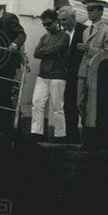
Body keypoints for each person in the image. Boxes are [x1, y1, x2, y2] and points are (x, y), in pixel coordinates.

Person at [0, 0, 27, 131]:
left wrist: (14, 44)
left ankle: (4, 126)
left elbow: (21, 34)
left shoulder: (9, 17)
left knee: (3, 94)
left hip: (6, 63)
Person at [76, 0, 108, 136]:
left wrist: (89, 48)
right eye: (88, 9)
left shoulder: (107, 31)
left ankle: (91, 134)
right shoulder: (86, 31)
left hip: (96, 73)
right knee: (80, 102)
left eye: (92, 9)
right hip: (83, 71)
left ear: (100, 12)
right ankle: (86, 130)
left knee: (92, 104)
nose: (89, 12)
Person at [30, 9, 70, 140]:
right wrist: (50, 51)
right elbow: (36, 53)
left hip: (58, 76)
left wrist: (44, 51)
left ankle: (60, 135)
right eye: (44, 24)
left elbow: (53, 49)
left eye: (48, 24)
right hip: (43, 76)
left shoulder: (64, 35)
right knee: (37, 103)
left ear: (56, 21)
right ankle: (36, 133)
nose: (46, 27)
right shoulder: (45, 37)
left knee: (57, 106)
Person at [57, 5, 86, 142]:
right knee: (67, 106)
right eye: (60, 20)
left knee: (78, 105)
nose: (62, 23)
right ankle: (71, 136)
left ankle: (82, 137)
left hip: (78, 74)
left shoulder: (85, 31)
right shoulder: (60, 33)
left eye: (64, 20)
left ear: (73, 18)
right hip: (63, 75)